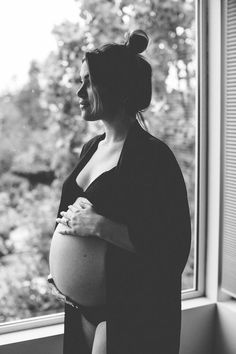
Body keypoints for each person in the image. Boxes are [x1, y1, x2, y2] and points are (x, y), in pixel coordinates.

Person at [48, 29, 191, 354]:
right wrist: (60, 271)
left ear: (117, 89)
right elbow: (68, 218)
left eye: (89, 82)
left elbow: (173, 247)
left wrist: (100, 226)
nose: (79, 92)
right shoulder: (90, 147)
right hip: (79, 308)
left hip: (130, 310)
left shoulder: (153, 157)